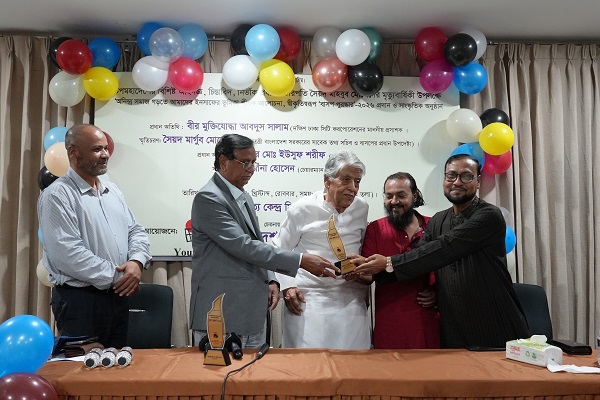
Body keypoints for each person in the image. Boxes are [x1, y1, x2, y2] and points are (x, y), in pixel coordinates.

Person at [353, 154, 530, 349]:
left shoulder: (489, 215)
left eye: (466, 176)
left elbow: (444, 248)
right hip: (452, 326)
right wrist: (368, 270)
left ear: (478, 181)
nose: (457, 182)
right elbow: (419, 258)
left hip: (492, 321)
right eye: (451, 175)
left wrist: (388, 263)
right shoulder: (438, 220)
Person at [189, 134, 336, 349]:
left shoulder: (243, 196)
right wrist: (300, 260)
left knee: (254, 371)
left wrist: (271, 279)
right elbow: (244, 246)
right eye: (245, 163)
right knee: (220, 372)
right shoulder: (209, 198)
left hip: (251, 315)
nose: (251, 169)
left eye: (253, 162)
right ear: (223, 161)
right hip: (222, 314)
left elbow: (256, 241)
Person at [38, 124, 151, 348]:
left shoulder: (113, 190)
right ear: (73, 152)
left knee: (117, 364)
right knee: (85, 367)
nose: (105, 154)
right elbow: (68, 254)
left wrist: (137, 262)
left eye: (106, 148)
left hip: (118, 298)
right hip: (80, 302)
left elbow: (135, 231)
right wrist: (121, 277)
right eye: (97, 149)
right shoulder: (57, 195)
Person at [274, 150, 371, 349]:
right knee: (309, 363)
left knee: (354, 362)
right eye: (346, 179)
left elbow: (363, 247)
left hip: (350, 298)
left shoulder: (362, 208)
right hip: (310, 299)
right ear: (327, 181)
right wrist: (287, 286)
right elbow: (278, 248)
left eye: (357, 182)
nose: (353, 188)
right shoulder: (303, 208)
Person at [361, 172, 440, 349]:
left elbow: (449, 270)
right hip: (390, 325)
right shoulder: (375, 229)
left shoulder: (434, 226)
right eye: (389, 196)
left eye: (401, 195)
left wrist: (439, 294)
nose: (394, 201)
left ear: (415, 196)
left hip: (429, 323)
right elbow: (368, 276)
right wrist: (355, 271)